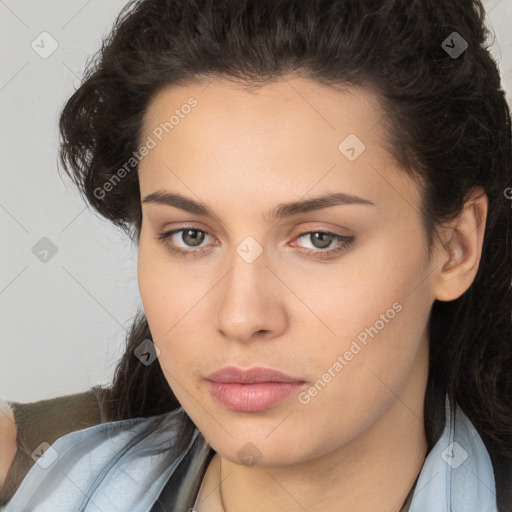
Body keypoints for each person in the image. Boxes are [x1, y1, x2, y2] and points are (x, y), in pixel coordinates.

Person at [1, 0, 511, 510]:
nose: (241, 317)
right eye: (191, 236)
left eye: (319, 238)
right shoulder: (35, 476)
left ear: (455, 247)